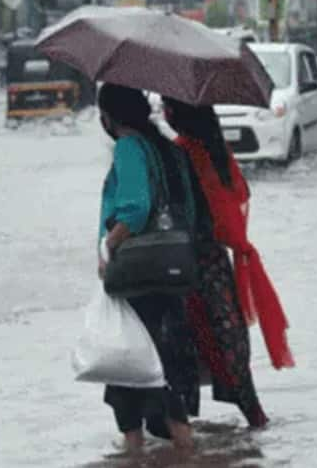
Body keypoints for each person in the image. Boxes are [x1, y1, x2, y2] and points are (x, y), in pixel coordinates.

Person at [164, 97, 295, 428]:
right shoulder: (218, 151)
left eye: (168, 106)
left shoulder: (182, 153)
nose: (164, 112)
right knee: (229, 342)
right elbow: (237, 197)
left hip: (189, 264)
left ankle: (180, 439)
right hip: (217, 261)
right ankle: (255, 420)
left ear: (178, 115)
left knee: (189, 347)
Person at [97, 83, 199, 453]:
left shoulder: (128, 148)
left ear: (108, 116)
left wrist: (108, 245)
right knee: (165, 366)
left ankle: (134, 454)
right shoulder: (168, 148)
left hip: (139, 274)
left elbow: (136, 209)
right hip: (173, 269)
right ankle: (188, 453)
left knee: (130, 368)